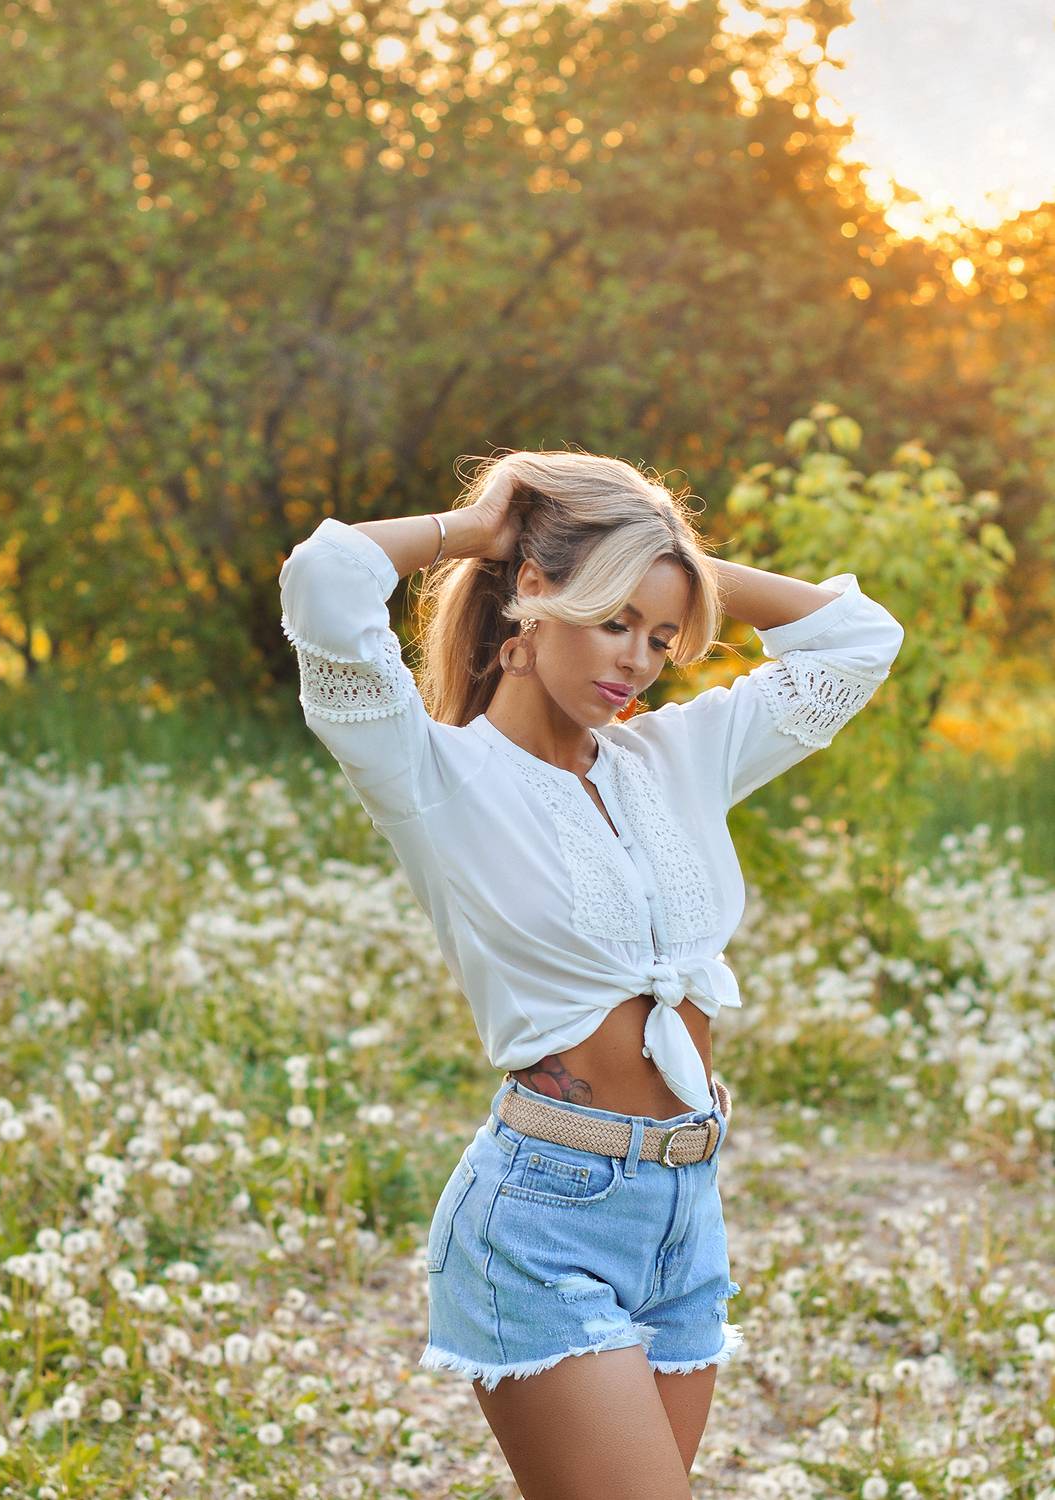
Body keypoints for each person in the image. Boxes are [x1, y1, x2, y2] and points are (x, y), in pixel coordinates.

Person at [278, 449, 905, 1499]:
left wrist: (670, 559)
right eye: (616, 620)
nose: (642, 660)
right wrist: (484, 528)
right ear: (534, 593)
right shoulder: (434, 774)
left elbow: (857, 640)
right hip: (544, 1213)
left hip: (685, 1207)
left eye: (664, 636)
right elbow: (325, 583)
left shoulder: (678, 757)